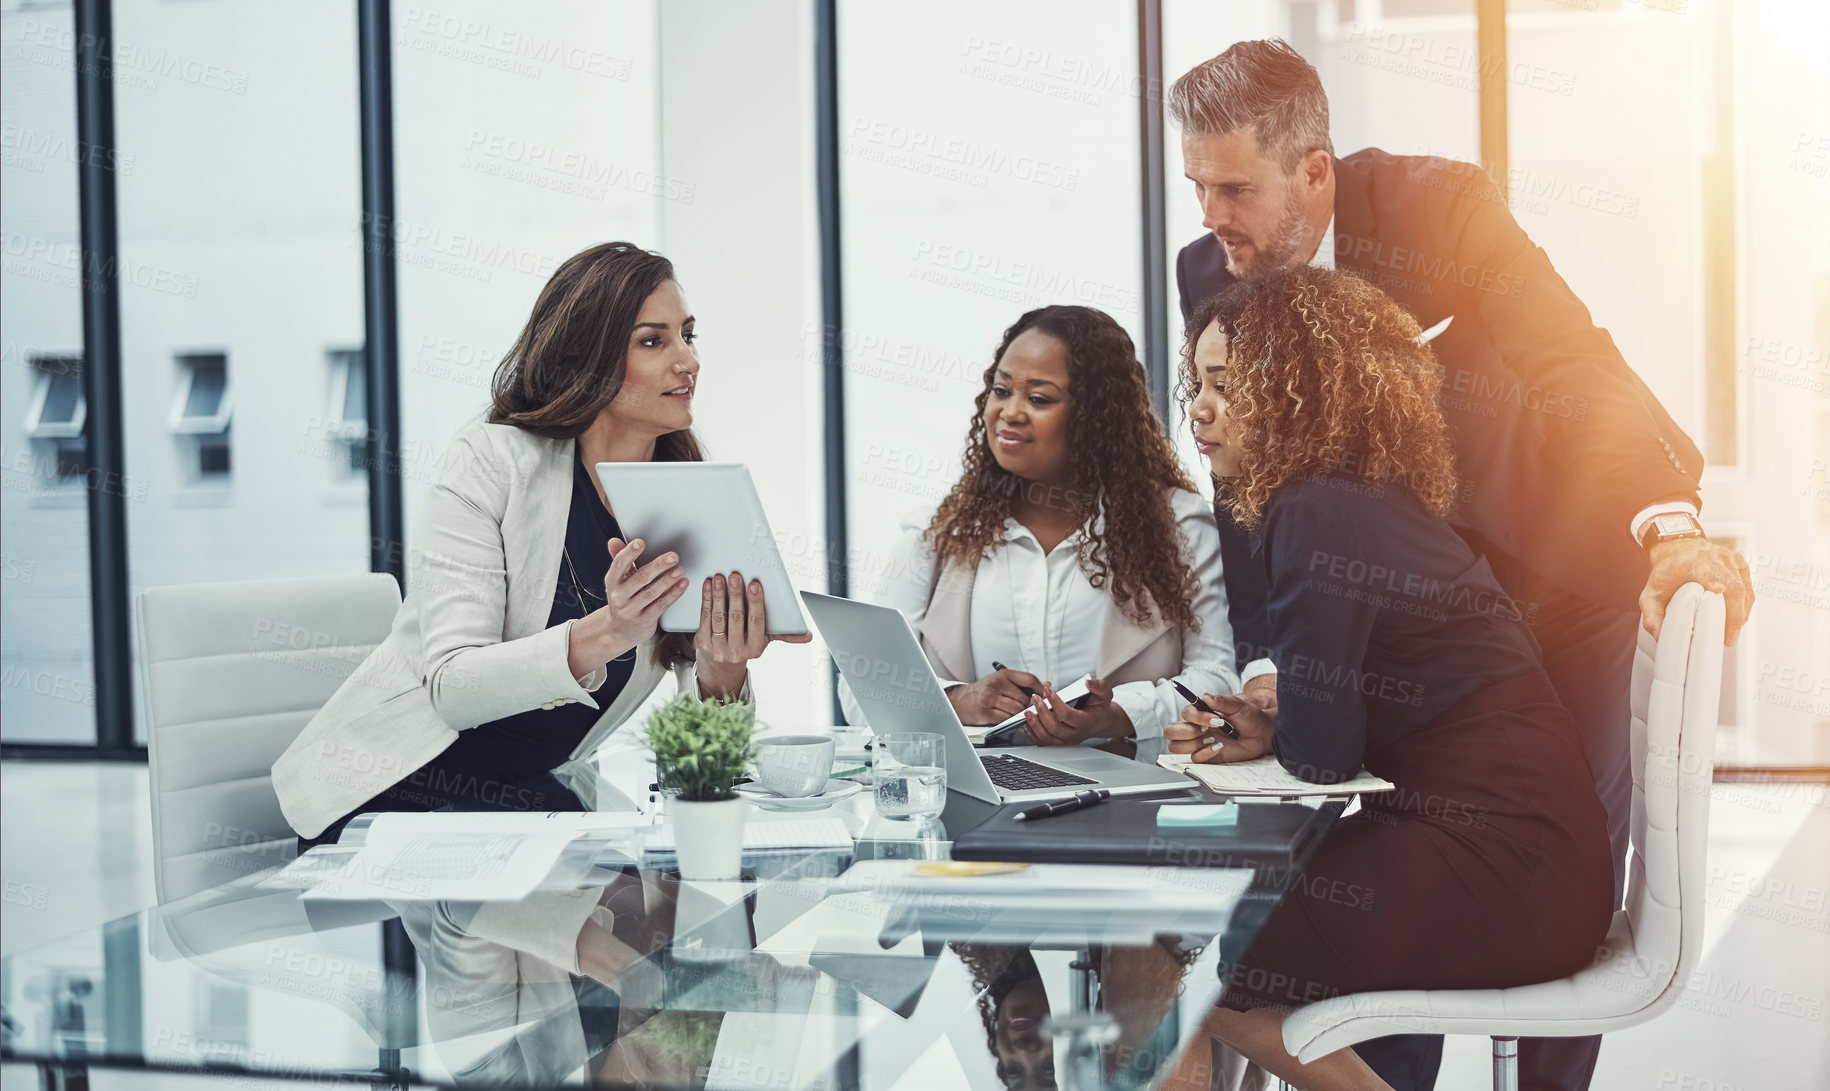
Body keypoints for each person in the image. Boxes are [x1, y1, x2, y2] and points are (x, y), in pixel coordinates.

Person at [1167, 39, 1753, 1090]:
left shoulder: (1437, 207)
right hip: (1392, 602)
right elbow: (1241, 476)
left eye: (1234, 186)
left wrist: (1665, 519)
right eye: (1197, 185)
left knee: (1542, 874)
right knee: (1394, 854)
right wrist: (1268, 661)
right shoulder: (1214, 269)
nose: (1212, 213)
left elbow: (1570, 357)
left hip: (1555, 581)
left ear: (1315, 170)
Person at [1163, 265, 1614, 1091]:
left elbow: (1326, 762)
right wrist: (1275, 724)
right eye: (1198, 382)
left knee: (1197, 948)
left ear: (1301, 391)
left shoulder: (1312, 511)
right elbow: (1355, 723)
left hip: (1500, 869)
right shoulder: (1362, 497)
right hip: (1537, 862)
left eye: (1226, 387)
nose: (1199, 408)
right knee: (1209, 937)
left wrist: (1290, 729)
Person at [273, 241, 808, 848]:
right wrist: (611, 631)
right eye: (653, 341)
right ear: (588, 357)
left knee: (663, 926)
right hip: (396, 810)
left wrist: (722, 666)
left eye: (688, 335)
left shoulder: (682, 497)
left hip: (532, 814)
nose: (689, 361)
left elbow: (708, 763)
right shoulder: (490, 462)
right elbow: (453, 689)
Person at [840, 305, 1236, 743]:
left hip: (1132, 792)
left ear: (1095, 419)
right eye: (1001, 391)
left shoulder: (1180, 526)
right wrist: (959, 700)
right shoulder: (937, 534)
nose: (1009, 412)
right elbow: (861, 685)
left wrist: (1120, 715)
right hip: (985, 793)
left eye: (1039, 399)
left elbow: (1218, 676)